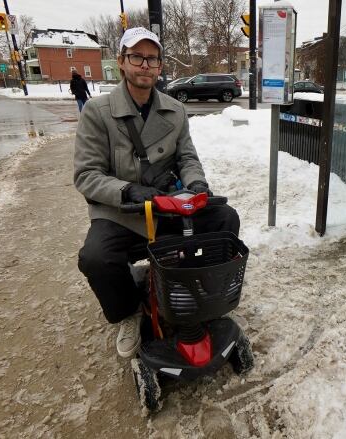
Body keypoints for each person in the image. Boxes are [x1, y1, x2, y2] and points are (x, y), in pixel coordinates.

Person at [73, 27, 240, 358]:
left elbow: (187, 158)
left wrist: (196, 187)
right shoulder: (97, 112)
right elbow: (86, 175)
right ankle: (128, 313)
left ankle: (204, 295)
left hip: (166, 207)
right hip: (121, 212)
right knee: (96, 258)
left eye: (152, 59)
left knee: (224, 219)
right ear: (122, 62)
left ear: (161, 66)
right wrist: (129, 191)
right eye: (137, 57)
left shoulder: (174, 111)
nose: (145, 65)